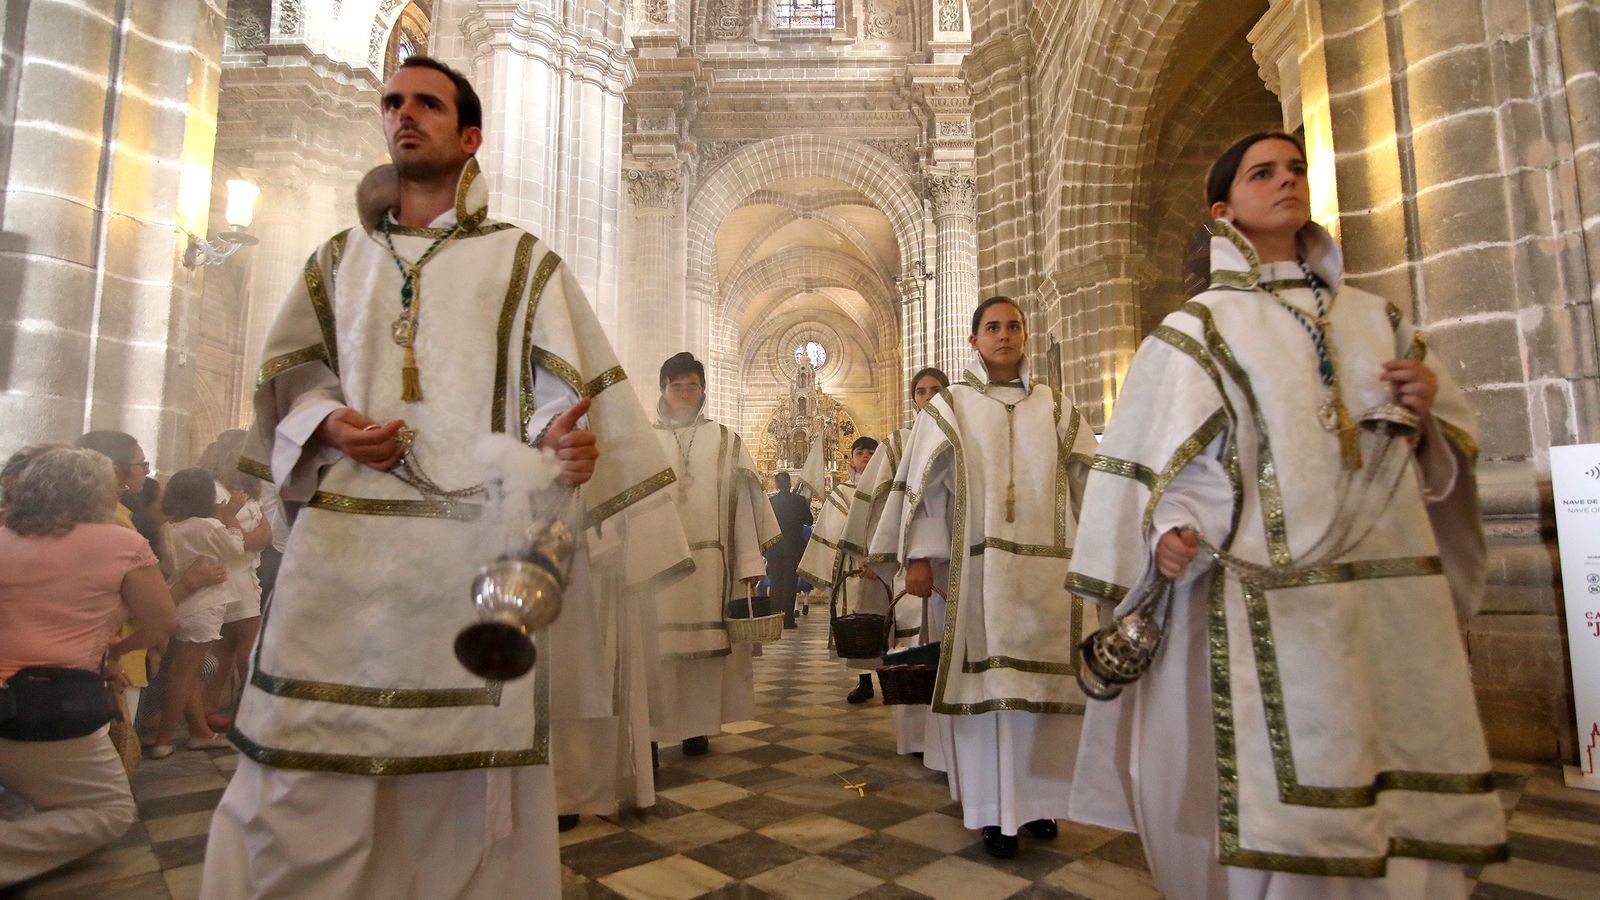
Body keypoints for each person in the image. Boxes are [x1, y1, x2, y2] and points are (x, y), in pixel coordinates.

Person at [202, 55, 688, 899]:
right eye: (393, 103)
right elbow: (291, 379)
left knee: (465, 794)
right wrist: (328, 422)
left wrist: (559, 448)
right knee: (296, 774)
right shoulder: (335, 261)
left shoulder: (523, 264)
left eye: (427, 104)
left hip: (465, 562)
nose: (404, 115)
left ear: (469, 137)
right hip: (341, 563)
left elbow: (553, 402)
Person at [1065, 132, 1507, 898]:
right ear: (1223, 209)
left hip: (1381, 601)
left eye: (1295, 169)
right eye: (1263, 173)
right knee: (1275, 789)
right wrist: (1170, 530)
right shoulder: (1197, 329)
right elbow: (1183, 464)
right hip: (1263, 604)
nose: (1287, 182)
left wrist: (1428, 416)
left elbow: (1437, 465)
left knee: (1395, 783)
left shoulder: (1377, 319)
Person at [869, 297, 1099, 859]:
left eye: (1014, 326)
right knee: (992, 690)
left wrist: (1105, 557)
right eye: (992, 327)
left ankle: (1039, 802)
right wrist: (920, 557)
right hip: (981, 571)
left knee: (1042, 688)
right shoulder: (952, 408)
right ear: (974, 341)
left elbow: (1094, 484)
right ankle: (995, 811)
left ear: (1025, 336)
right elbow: (929, 489)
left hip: (1050, 575)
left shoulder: (1058, 408)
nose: (1004, 336)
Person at [0, 446, 175, 886]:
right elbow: (160, 622)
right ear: (92, 493)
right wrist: (115, 652)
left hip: (20, 692)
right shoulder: (121, 544)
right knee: (109, 810)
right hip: (47, 698)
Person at [650, 351, 780, 757]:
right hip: (656, 569)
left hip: (711, 569)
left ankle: (696, 727)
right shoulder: (645, 440)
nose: (685, 393)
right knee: (654, 654)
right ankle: (650, 732)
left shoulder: (726, 440)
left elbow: (744, 506)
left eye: (692, 385)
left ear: (703, 390)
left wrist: (748, 563)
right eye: (677, 387)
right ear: (663, 390)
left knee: (703, 658)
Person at [839, 367, 949, 759]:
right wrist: (874, 553)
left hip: (960, 564)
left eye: (937, 389)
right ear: (912, 398)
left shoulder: (966, 435)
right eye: (921, 391)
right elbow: (874, 504)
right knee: (916, 646)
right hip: (910, 560)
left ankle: (954, 741)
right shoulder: (898, 443)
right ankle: (919, 739)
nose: (929, 396)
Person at [148, 468, 251, 758]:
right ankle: (163, 739)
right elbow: (235, 550)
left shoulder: (169, 528)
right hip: (204, 605)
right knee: (183, 675)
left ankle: (199, 732)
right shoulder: (208, 526)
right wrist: (230, 520)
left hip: (179, 602)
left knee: (188, 673)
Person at [196, 431, 272, 733]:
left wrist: (250, 536)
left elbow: (264, 534)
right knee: (247, 644)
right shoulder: (214, 492)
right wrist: (249, 537)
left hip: (245, 573)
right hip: (228, 574)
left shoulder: (245, 493)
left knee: (226, 647)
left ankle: (209, 707)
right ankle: (252, 709)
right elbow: (240, 541)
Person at [801, 435, 886, 703]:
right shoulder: (842, 492)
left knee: (886, 623)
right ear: (851, 458)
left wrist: (880, 557)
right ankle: (864, 682)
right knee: (858, 625)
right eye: (860, 452)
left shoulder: (890, 487)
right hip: (853, 569)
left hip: (885, 568)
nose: (866, 457)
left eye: (872, 452)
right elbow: (832, 527)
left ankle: (889, 678)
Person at [765, 471, 813, 629]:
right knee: (790, 584)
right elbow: (809, 520)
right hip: (793, 547)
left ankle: (774, 617)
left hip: (774, 548)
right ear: (789, 484)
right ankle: (788, 619)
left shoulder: (770, 502)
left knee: (776, 582)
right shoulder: (799, 500)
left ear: (776, 485)